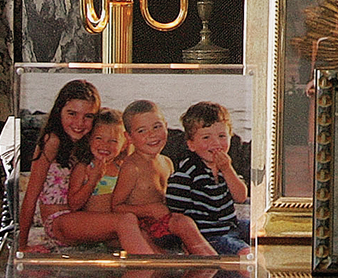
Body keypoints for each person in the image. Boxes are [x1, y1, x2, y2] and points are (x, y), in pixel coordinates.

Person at [111, 100, 217, 256]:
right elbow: (116, 206)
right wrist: (146, 210)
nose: (151, 134)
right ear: (129, 137)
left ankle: (208, 256)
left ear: (166, 125)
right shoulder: (132, 167)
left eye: (157, 126)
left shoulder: (167, 162)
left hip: (166, 223)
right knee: (182, 224)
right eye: (141, 131)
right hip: (145, 224)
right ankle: (210, 260)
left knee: (187, 221)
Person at [16, 79, 100, 252]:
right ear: (58, 111)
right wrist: (22, 246)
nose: (79, 123)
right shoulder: (52, 141)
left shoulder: (89, 144)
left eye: (88, 116)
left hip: (80, 221)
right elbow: (31, 196)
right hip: (58, 224)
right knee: (124, 223)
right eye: (72, 114)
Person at [62, 109, 155, 255]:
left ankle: (163, 266)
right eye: (99, 138)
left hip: (115, 231)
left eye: (113, 141)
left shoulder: (123, 169)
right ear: (90, 139)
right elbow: (73, 204)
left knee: (146, 237)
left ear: (124, 144)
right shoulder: (84, 168)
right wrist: (93, 180)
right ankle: (150, 263)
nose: (105, 145)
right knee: (128, 223)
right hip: (93, 226)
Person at [164, 102, 251, 256]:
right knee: (244, 253)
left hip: (231, 225)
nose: (216, 143)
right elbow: (175, 211)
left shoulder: (226, 167)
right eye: (206, 137)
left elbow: (241, 196)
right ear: (191, 145)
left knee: (263, 232)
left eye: (222, 136)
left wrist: (227, 169)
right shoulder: (187, 173)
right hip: (210, 236)